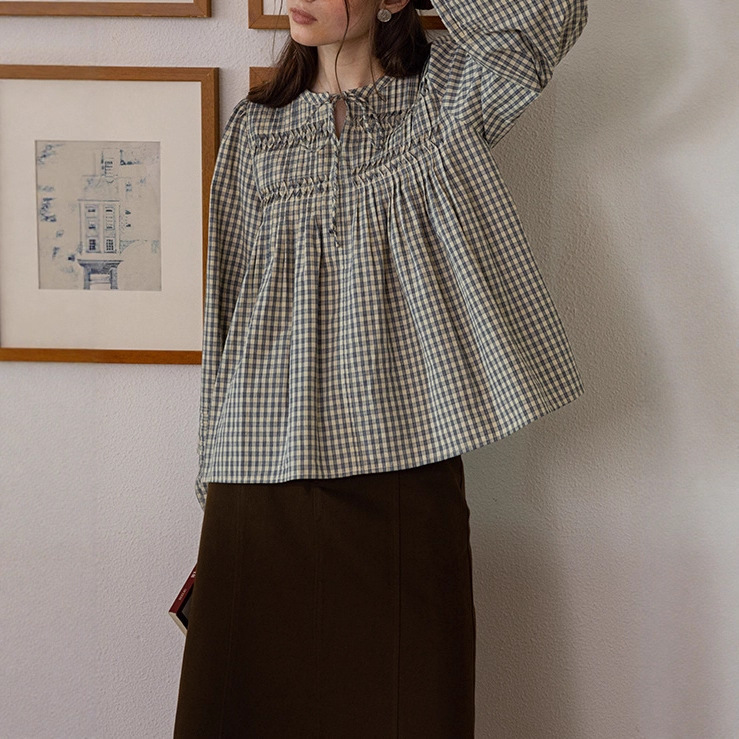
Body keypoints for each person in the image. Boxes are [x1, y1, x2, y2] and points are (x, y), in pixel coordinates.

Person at [173, 0, 588, 736]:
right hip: (259, 484)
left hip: (404, 476)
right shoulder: (253, 131)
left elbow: (547, 18)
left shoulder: (445, 102)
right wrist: (209, 490)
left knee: (410, 707)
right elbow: (225, 318)